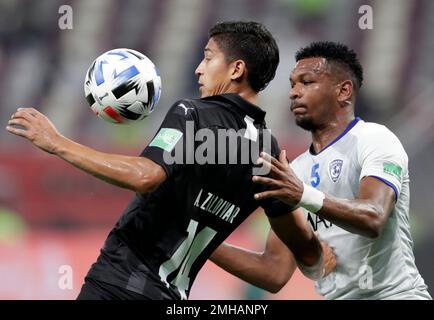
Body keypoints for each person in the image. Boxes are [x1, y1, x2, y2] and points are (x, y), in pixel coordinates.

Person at [6, 22, 335, 300]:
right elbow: (276, 272)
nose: (198, 68)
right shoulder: (269, 152)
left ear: (237, 69)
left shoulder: (192, 113)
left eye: (208, 58)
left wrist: (57, 143)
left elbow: (145, 176)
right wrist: (203, 244)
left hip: (117, 285)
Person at [211, 41, 432, 300]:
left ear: (343, 91)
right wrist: (201, 244)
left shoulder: (374, 139)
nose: (294, 92)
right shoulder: (296, 171)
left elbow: (374, 217)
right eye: (293, 84)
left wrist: (304, 195)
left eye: (307, 82)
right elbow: (273, 271)